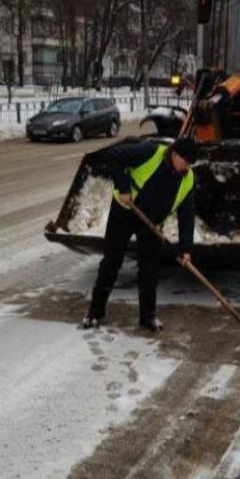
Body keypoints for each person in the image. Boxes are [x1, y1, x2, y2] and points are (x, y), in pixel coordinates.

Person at [83, 137, 199, 333]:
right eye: (185, 162)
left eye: (190, 164)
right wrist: (123, 187)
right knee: (112, 261)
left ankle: (148, 317)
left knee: (149, 268)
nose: (186, 168)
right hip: (126, 211)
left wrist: (186, 248)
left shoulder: (187, 179)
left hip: (151, 223)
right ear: (175, 154)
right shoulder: (150, 152)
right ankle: (95, 312)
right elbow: (112, 156)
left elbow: (187, 215)